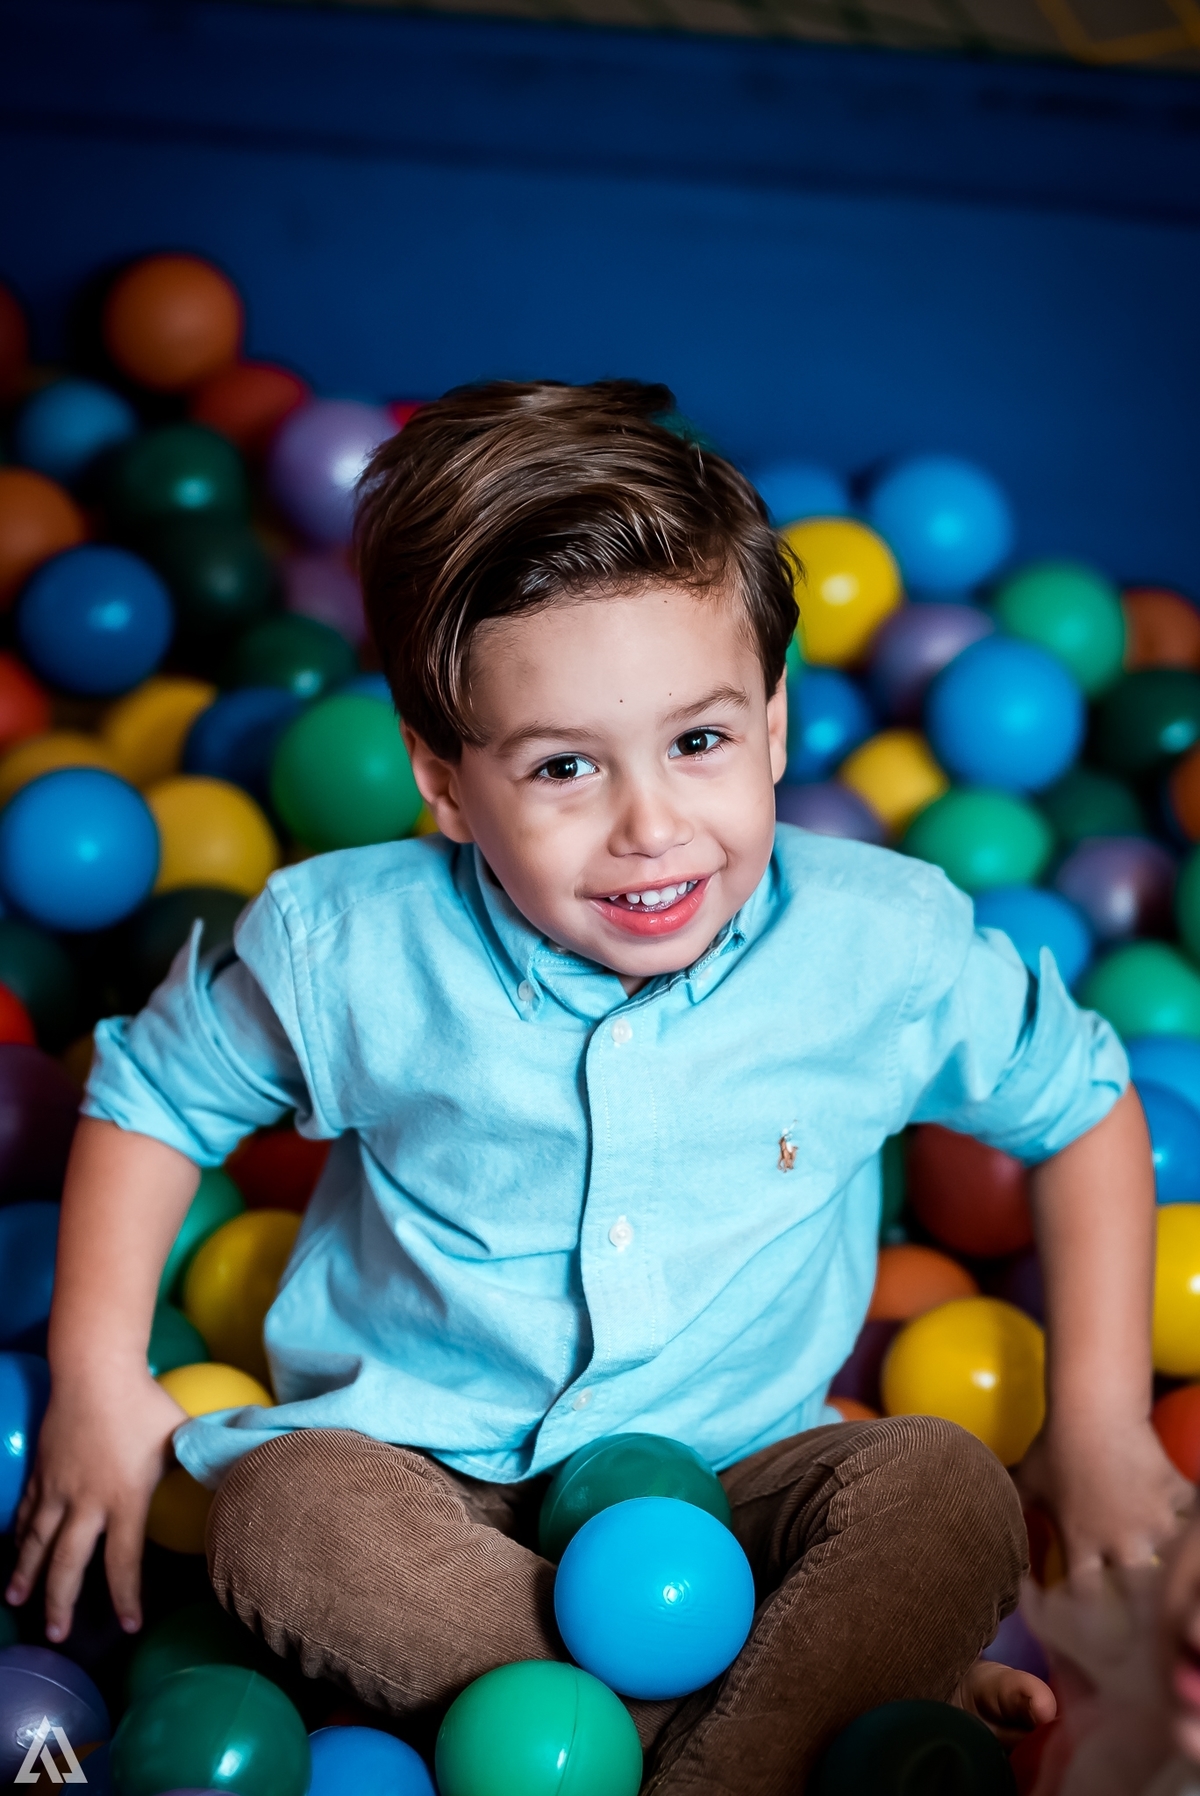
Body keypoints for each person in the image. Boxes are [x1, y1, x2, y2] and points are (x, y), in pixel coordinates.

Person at [5, 381, 1189, 1791]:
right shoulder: (353, 944)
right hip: (424, 1480)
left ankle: (672, 1740)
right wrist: (93, 1375)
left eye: (698, 741)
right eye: (565, 766)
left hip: (744, 1495)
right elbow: (155, 1095)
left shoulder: (885, 946)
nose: (651, 828)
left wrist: (1104, 1424)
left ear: (775, 719)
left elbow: (1081, 1101)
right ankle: (742, 1747)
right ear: (443, 782)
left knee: (946, 1495)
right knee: (280, 1513)